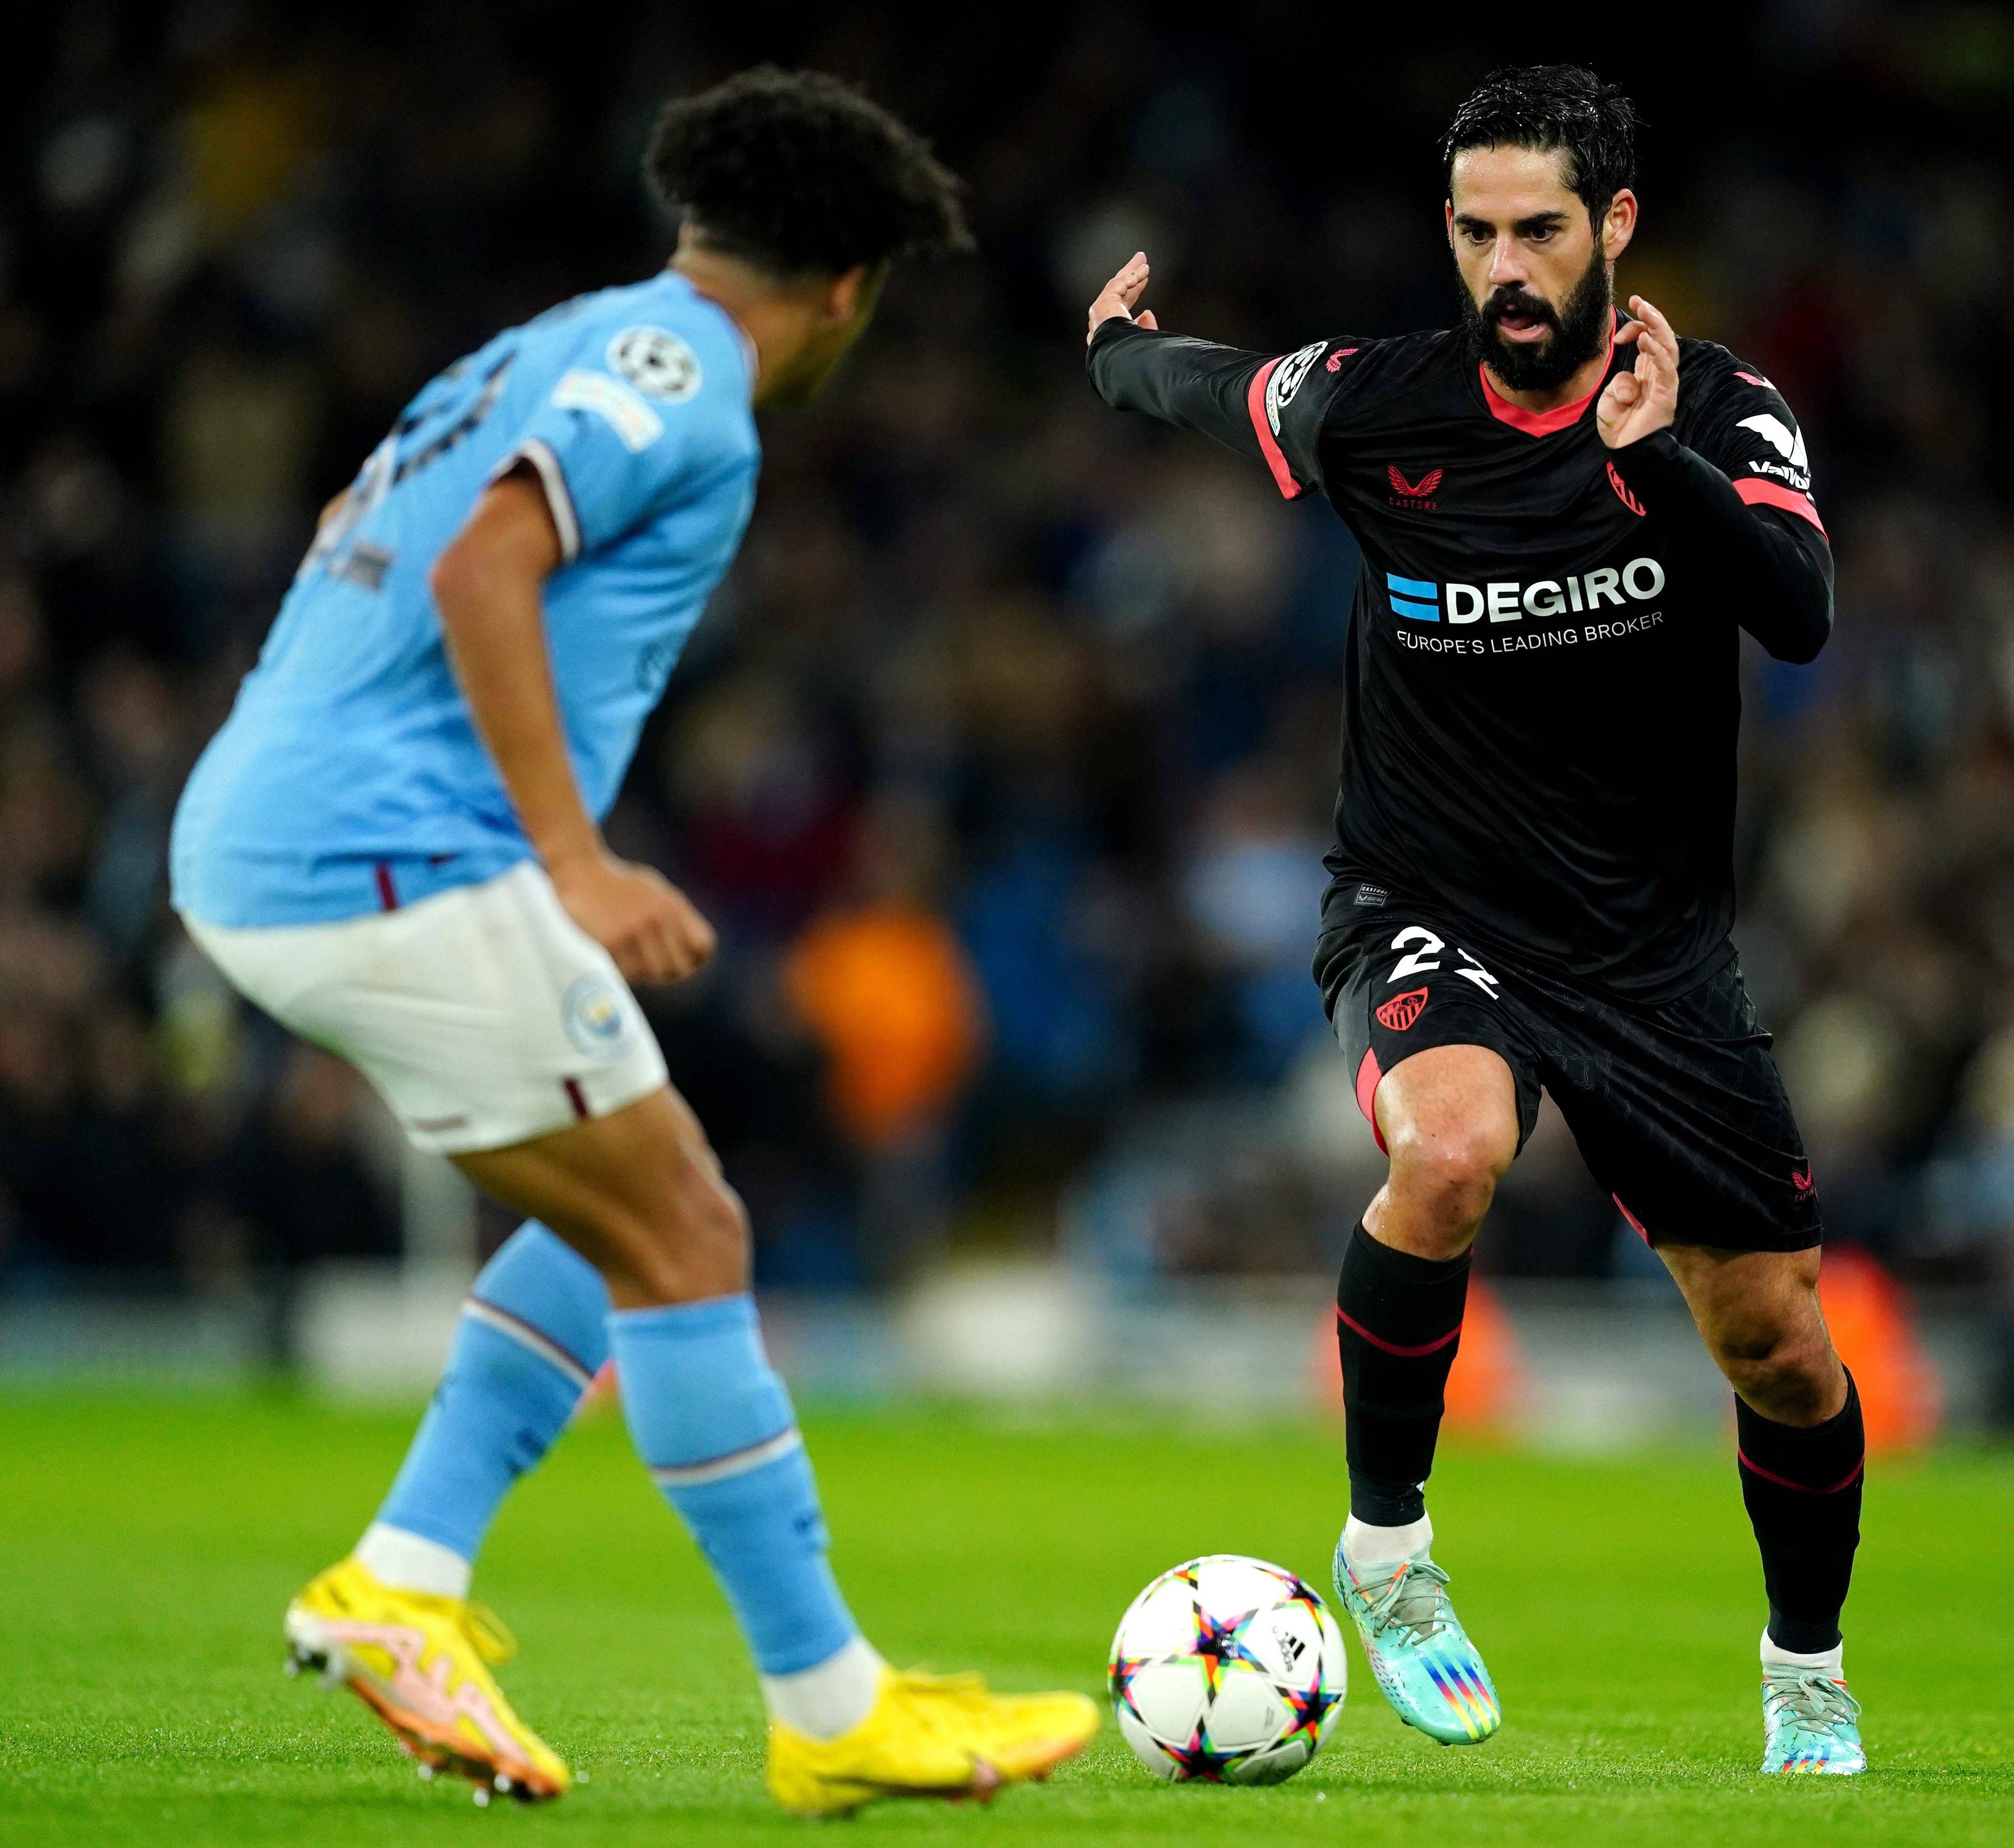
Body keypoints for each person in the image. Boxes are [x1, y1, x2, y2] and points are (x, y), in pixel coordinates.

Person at [169, 68, 1096, 1814]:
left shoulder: (538, 349)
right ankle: (829, 1706)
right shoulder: (691, 392)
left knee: (618, 1209)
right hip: (389, 857)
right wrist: (574, 858)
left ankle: (403, 1580)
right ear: (846, 290)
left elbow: (348, 535)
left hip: (284, 834)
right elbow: (476, 571)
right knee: (685, 1226)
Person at [1087, 64, 1864, 1774]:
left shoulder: (1721, 410)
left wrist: (1649, 467)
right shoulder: (1379, 402)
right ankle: (1387, 1552)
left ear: (1615, 229)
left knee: (1780, 1348)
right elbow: (1202, 386)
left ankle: (1805, 1673)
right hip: (1426, 904)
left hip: (1651, 958)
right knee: (1445, 1153)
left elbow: (1797, 614)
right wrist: (1109, 346)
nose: (1505, 267)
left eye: (1539, 230)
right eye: (1475, 231)